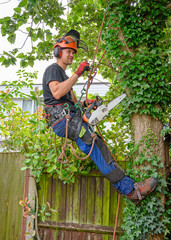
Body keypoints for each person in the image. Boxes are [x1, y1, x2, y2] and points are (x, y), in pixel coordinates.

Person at [42, 30, 158, 205]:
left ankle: (130, 189)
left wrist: (87, 103)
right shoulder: (53, 69)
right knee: (96, 148)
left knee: (99, 146)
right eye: (68, 51)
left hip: (70, 119)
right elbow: (57, 92)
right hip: (63, 120)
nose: (72, 54)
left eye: (74, 52)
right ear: (58, 52)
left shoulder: (64, 76)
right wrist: (78, 73)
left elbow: (73, 101)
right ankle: (131, 191)